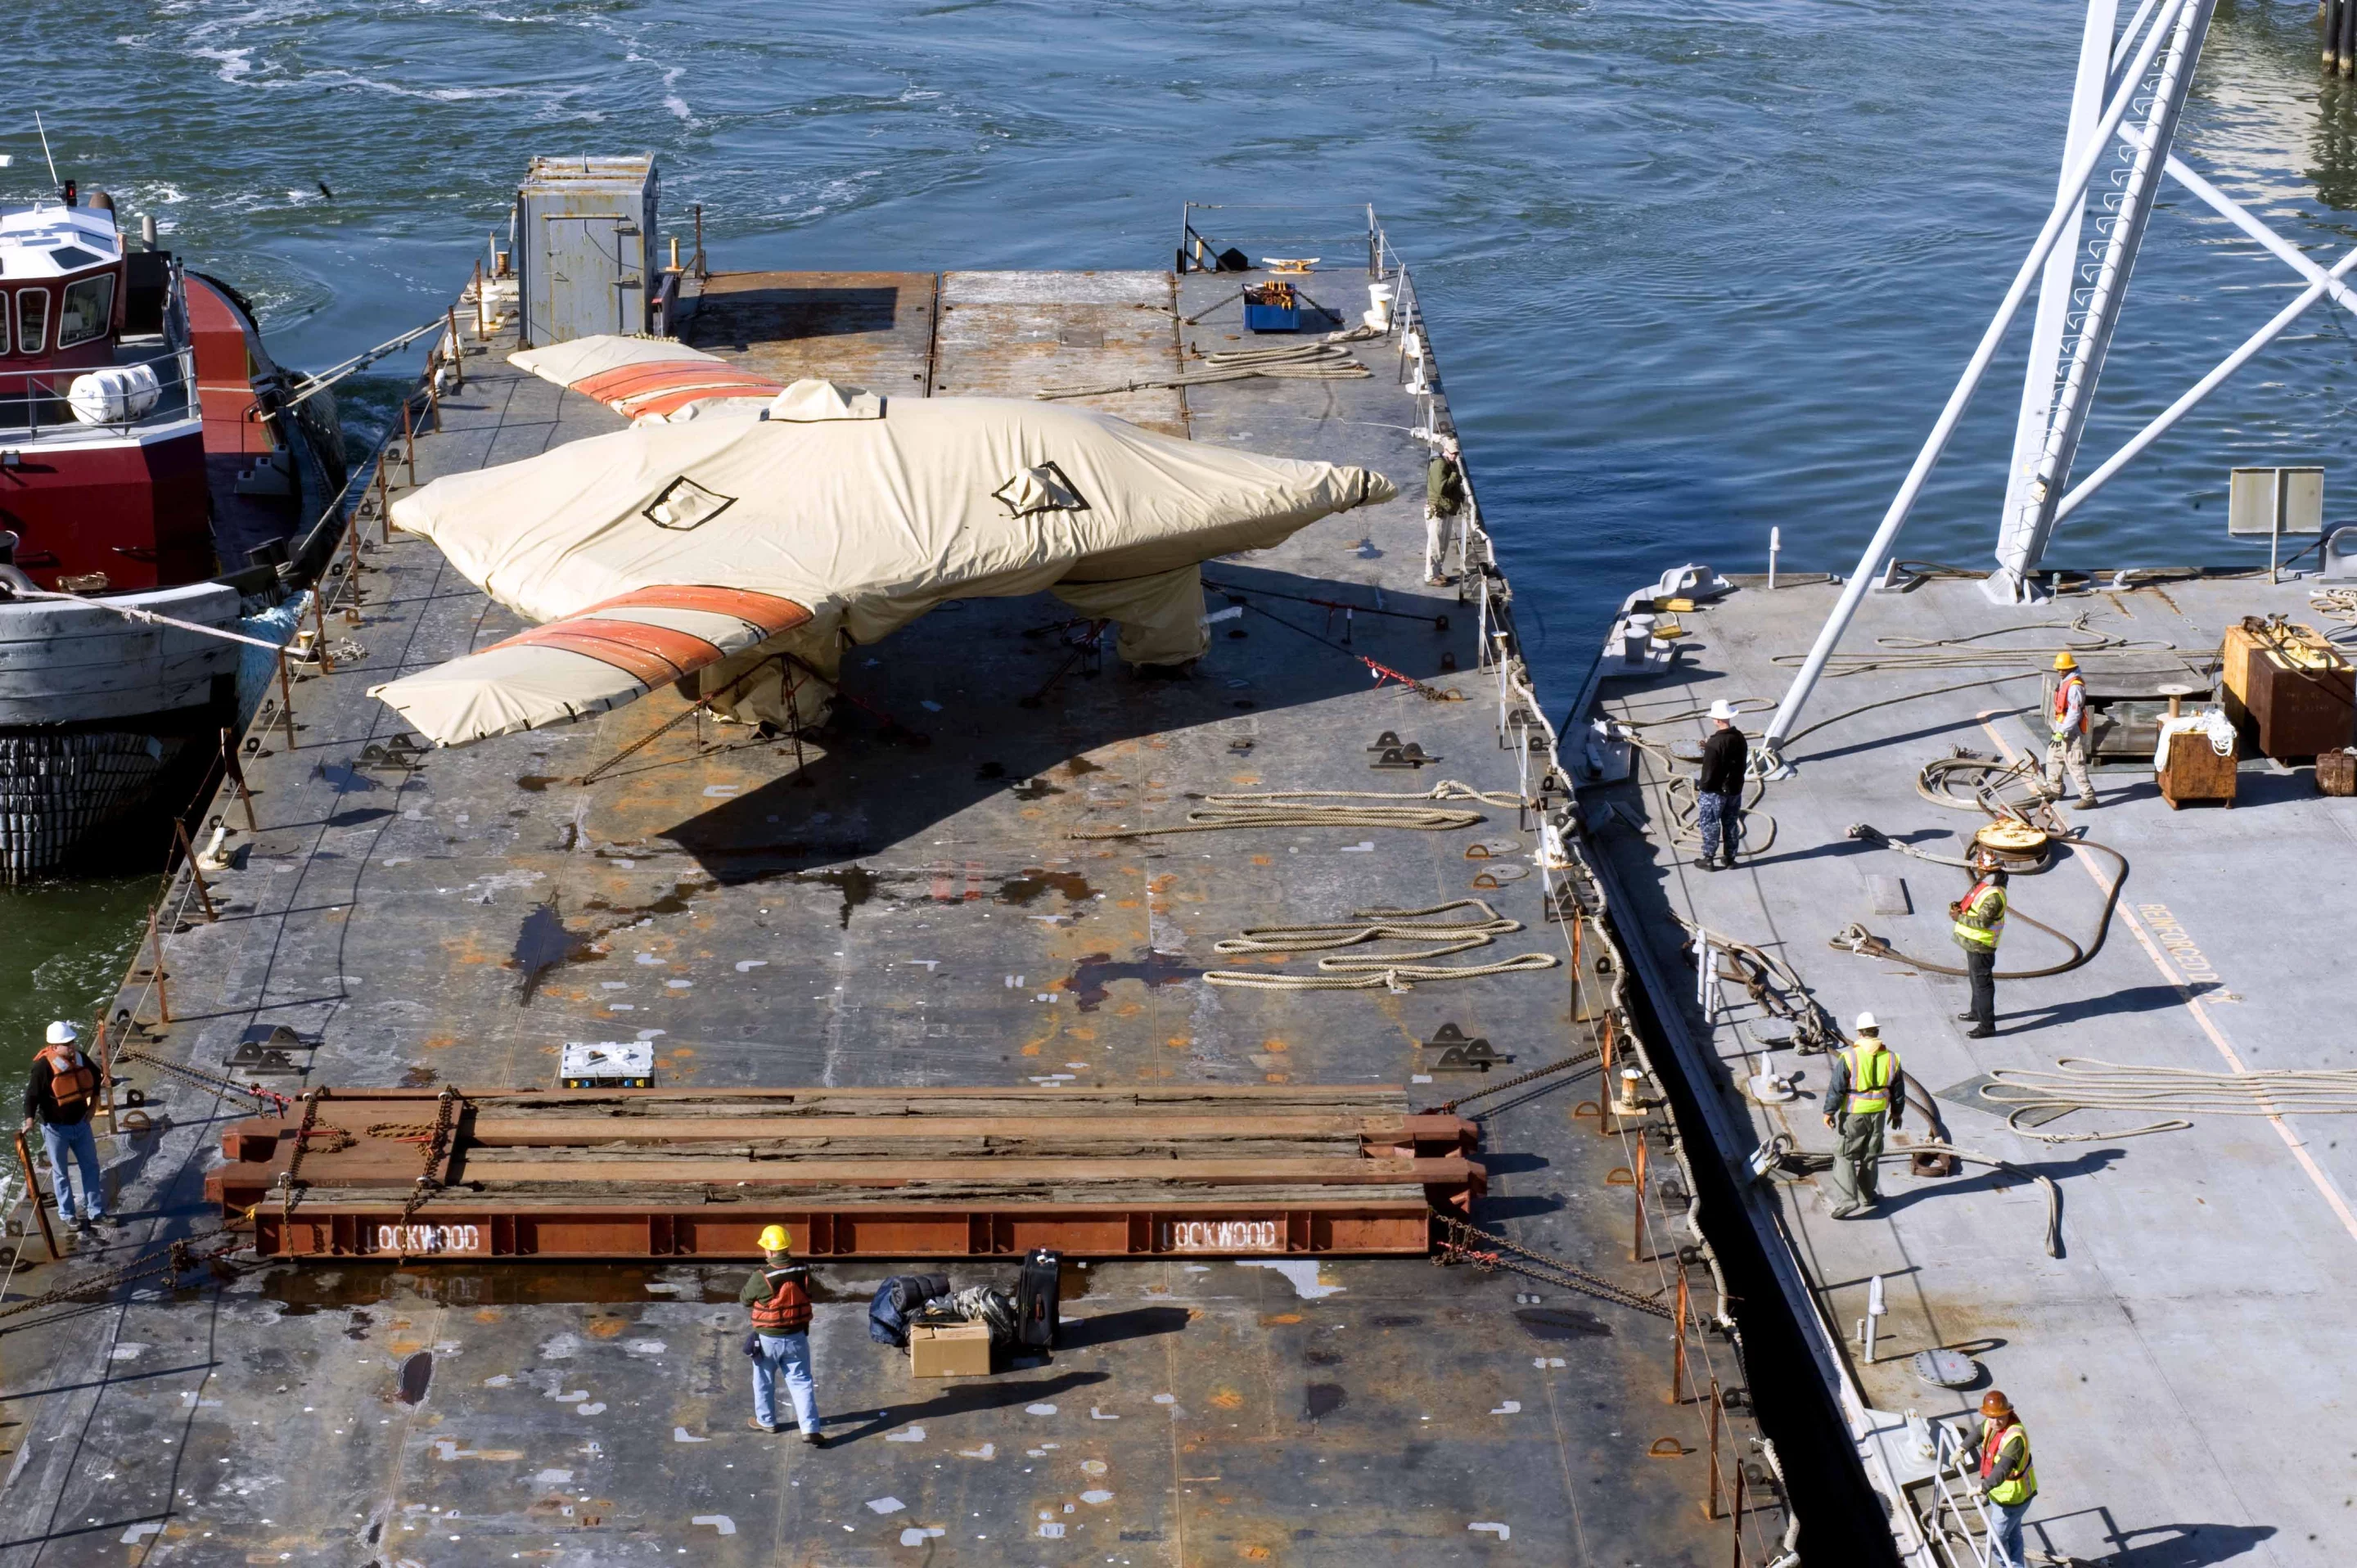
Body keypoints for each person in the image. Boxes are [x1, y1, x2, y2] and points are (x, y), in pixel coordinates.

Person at [20, 1021, 109, 1232]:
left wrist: (92, 1108)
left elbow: (96, 1079)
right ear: (54, 1046)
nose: (71, 1047)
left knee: (91, 1167)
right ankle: (68, 1215)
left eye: (72, 1042)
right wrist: (29, 1120)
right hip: (56, 1130)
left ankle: (96, 1212)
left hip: (81, 1124)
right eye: (66, 1044)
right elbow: (31, 1096)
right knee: (61, 1173)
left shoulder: (80, 1058)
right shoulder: (43, 1067)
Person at [739, 1224, 823, 1443]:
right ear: (787, 1247)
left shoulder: (762, 1276)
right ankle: (810, 1428)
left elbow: (745, 1299)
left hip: (767, 1339)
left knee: (763, 1380)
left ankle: (766, 1421)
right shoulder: (802, 1270)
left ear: (768, 1250)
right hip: (797, 1337)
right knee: (801, 1381)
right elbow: (812, 1291)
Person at [1822, 1012, 1903, 1219]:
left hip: (1854, 1114)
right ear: (1877, 1032)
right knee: (1870, 1155)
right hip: (1878, 1114)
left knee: (1844, 1155)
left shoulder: (1850, 1057)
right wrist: (1896, 1113)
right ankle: (1868, 1195)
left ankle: (1848, 1201)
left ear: (1859, 1033)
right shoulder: (1892, 1058)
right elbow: (1898, 1090)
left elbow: (1837, 1088)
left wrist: (1829, 1112)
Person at [1976, 1389, 2038, 1566]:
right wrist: (1962, 1449)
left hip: (2012, 1499)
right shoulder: (1992, 1424)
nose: (1996, 1421)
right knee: (2013, 1535)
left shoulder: (2014, 1438)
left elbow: (2003, 1468)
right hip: (2001, 1495)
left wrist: (1983, 1487)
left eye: (2000, 1417)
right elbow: (1978, 1432)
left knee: (1995, 1542)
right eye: (1991, 1417)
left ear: (2008, 1413)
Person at [1950, 856, 2009, 1039]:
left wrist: (1958, 918)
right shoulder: (1984, 887)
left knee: (1983, 985)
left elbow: (1983, 923)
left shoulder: (1994, 896)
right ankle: (1976, 1011)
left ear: (1989, 871)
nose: (1977, 870)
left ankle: (1986, 1026)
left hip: (1981, 945)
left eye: (1981, 868)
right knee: (1975, 980)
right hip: (1972, 942)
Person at [1696, 699, 1747, 871]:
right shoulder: (1739, 737)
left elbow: (1709, 772)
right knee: (1731, 822)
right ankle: (1730, 859)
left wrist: (1703, 787)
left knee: (1710, 822)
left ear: (1717, 720)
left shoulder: (1715, 743)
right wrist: (1709, 747)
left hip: (1715, 791)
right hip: (1735, 788)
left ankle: (1708, 859)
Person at [2040, 651, 2098, 809]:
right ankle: (2055, 789)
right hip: (2060, 730)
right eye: (2058, 669)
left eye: (2063, 669)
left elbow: (2074, 712)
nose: (2060, 671)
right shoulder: (2065, 681)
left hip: (2071, 732)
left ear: (2070, 668)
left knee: (2075, 764)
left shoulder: (2075, 687)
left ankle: (2088, 797)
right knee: (2053, 758)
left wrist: (2063, 731)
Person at [1423, 436, 1465, 585]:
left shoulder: (1449, 464)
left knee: (1443, 544)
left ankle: (1437, 571)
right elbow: (1441, 488)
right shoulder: (1439, 465)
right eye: (1452, 453)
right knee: (1435, 544)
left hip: (1446, 509)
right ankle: (1430, 576)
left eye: (1456, 453)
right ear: (1445, 450)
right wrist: (1454, 477)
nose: (1454, 456)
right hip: (1437, 510)